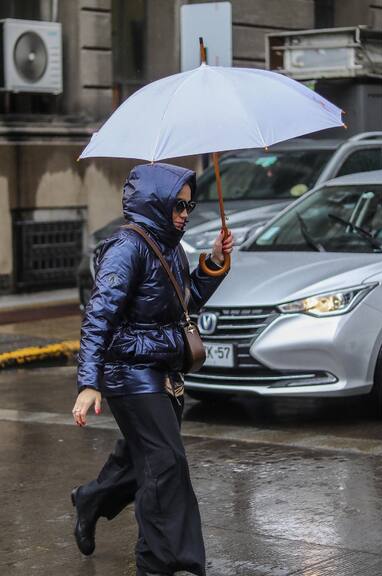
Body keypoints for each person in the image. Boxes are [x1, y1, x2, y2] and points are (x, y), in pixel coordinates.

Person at [70, 163, 234, 576]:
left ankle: (92, 499)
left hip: (164, 373)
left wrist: (213, 263)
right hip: (130, 376)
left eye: (189, 204)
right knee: (165, 467)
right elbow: (98, 318)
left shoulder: (170, 246)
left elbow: (185, 302)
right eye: (178, 204)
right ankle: (161, 564)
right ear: (157, 202)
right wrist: (89, 383)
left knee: (143, 459)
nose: (185, 212)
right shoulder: (126, 248)